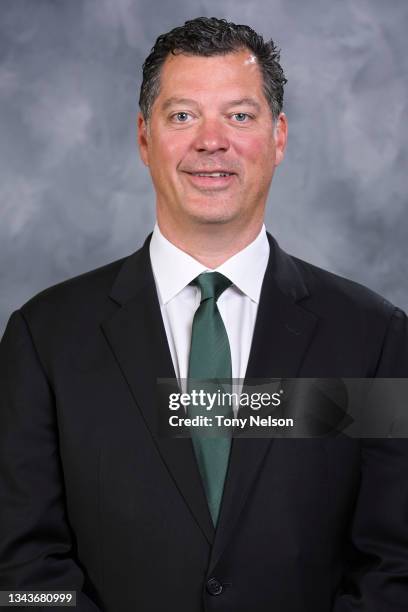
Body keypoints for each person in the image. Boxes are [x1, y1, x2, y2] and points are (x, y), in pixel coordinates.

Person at [0, 16, 407, 612]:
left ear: (279, 137)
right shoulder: (44, 339)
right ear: (145, 138)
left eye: (239, 116)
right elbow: (21, 571)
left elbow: (394, 566)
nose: (210, 141)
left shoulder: (375, 339)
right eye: (183, 115)